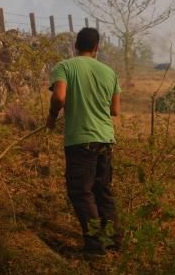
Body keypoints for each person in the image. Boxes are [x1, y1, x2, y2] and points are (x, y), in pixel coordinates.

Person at [46, 27, 122, 256]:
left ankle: (95, 246)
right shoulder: (110, 72)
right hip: (105, 139)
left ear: (75, 46)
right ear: (96, 47)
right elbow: (115, 110)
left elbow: (59, 96)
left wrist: (52, 116)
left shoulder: (65, 67)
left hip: (80, 140)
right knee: (103, 191)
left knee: (81, 192)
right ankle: (113, 241)